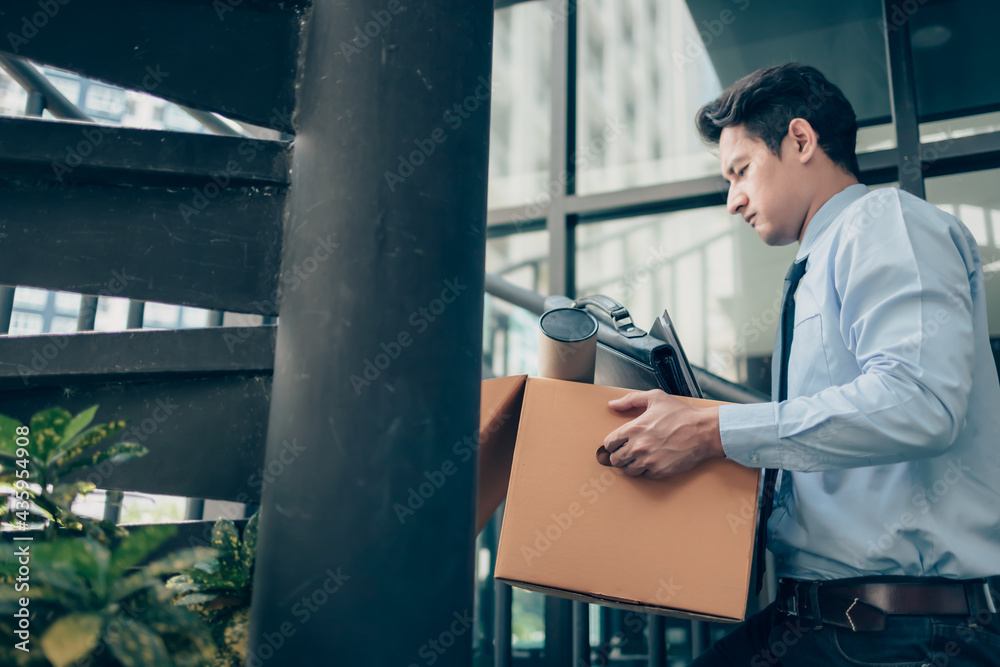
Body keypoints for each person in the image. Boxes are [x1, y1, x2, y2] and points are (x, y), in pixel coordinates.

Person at [601, 63, 1000, 665]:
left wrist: (712, 430)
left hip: (900, 633)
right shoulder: (818, 263)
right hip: (818, 617)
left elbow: (921, 402)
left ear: (801, 141)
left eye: (740, 171)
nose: (732, 200)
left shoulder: (884, 223)